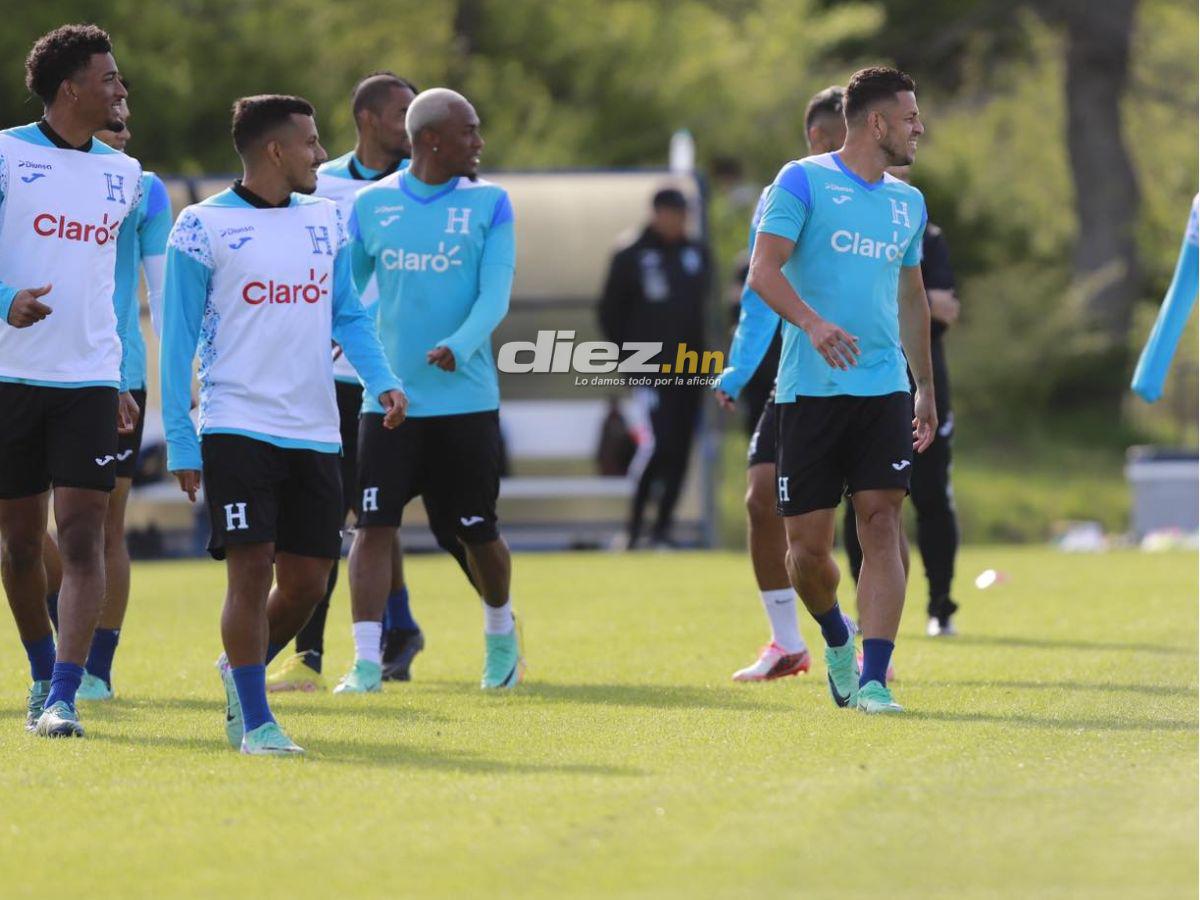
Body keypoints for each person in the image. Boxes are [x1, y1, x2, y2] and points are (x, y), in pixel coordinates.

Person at [161, 94, 405, 755]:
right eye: (311, 142)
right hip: (236, 423)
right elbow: (177, 341)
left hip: (315, 426)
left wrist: (381, 379)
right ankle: (255, 720)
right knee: (250, 569)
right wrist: (182, 436)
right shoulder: (199, 227)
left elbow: (348, 314)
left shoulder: (327, 220)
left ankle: (236, 674)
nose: (322, 155)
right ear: (275, 150)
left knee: (306, 582)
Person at [746, 67, 936, 714]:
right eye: (910, 117)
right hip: (809, 393)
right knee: (807, 554)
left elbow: (912, 297)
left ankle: (875, 677)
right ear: (878, 123)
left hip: (883, 387)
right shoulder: (800, 181)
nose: (919, 128)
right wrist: (813, 323)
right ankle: (833, 636)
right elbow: (762, 272)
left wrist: (925, 388)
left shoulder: (908, 202)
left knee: (882, 519)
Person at [267, 71, 448, 692]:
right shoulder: (322, 185)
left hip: (383, 375)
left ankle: (321, 653)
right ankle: (369, 636)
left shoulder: (426, 189)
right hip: (321, 374)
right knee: (337, 514)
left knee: (364, 515)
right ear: (369, 118)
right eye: (404, 112)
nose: (415, 123)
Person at [339, 87, 521, 693]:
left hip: (466, 401)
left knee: (477, 531)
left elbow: (494, 296)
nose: (479, 141)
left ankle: (501, 636)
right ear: (432, 140)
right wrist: (330, 340)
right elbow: (344, 291)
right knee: (372, 528)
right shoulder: (371, 206)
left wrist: (459, 346)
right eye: (469, 130)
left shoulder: (490, 204)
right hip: (390, 402)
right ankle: (367, 662)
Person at [0, 24, 143, 738]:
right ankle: (35, 671)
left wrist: (116, 375)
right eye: (109, 77)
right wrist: (6, 301)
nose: (121, 89)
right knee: (21, 544)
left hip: (88, 381)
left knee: (84, 536)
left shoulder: (126, 175)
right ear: (71, 90)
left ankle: (63, 695)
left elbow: (99, 288)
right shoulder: (4, 154)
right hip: (9, 378)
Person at [715, 86, 845, 681]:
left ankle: (871, 644)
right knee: (760, 497)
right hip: (795, 374)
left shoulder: (888, 198)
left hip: (865, 376)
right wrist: (739, 369)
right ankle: (787, 642)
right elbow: (758, 289)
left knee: (874, 512)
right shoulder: (785, 192)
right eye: (828, 135)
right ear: (815, 138)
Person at [70, 86, 172, 700]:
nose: (122, 131)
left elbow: (161, 292)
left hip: (117, 374)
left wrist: (184, 365)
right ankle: (65, 635)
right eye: (113, 121)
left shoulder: (144, 188)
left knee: (106, 526)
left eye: (128, 124)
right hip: (37, 368)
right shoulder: (36, 177)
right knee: (27, 527)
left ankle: (95, 669)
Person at [842, 165, 962, 637]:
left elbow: (944, 307)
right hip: (861, 385)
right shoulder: (846, 229)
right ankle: (867, 609)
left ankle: (941, 607)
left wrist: (895, 306)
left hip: (921, 383)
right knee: (862, 501)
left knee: (931, 497)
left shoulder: (927, 234)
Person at [599, 188, 711, 548]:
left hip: (691, 369)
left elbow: (701, 312)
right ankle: (633, 529)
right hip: (648, 369)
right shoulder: (630, 253)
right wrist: (629, 356)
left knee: (680, 449)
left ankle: (662, 529)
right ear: (658, 214)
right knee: (657, 445)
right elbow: (609, 312)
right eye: (675, 214)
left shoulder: (696, 253)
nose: (682, 222)